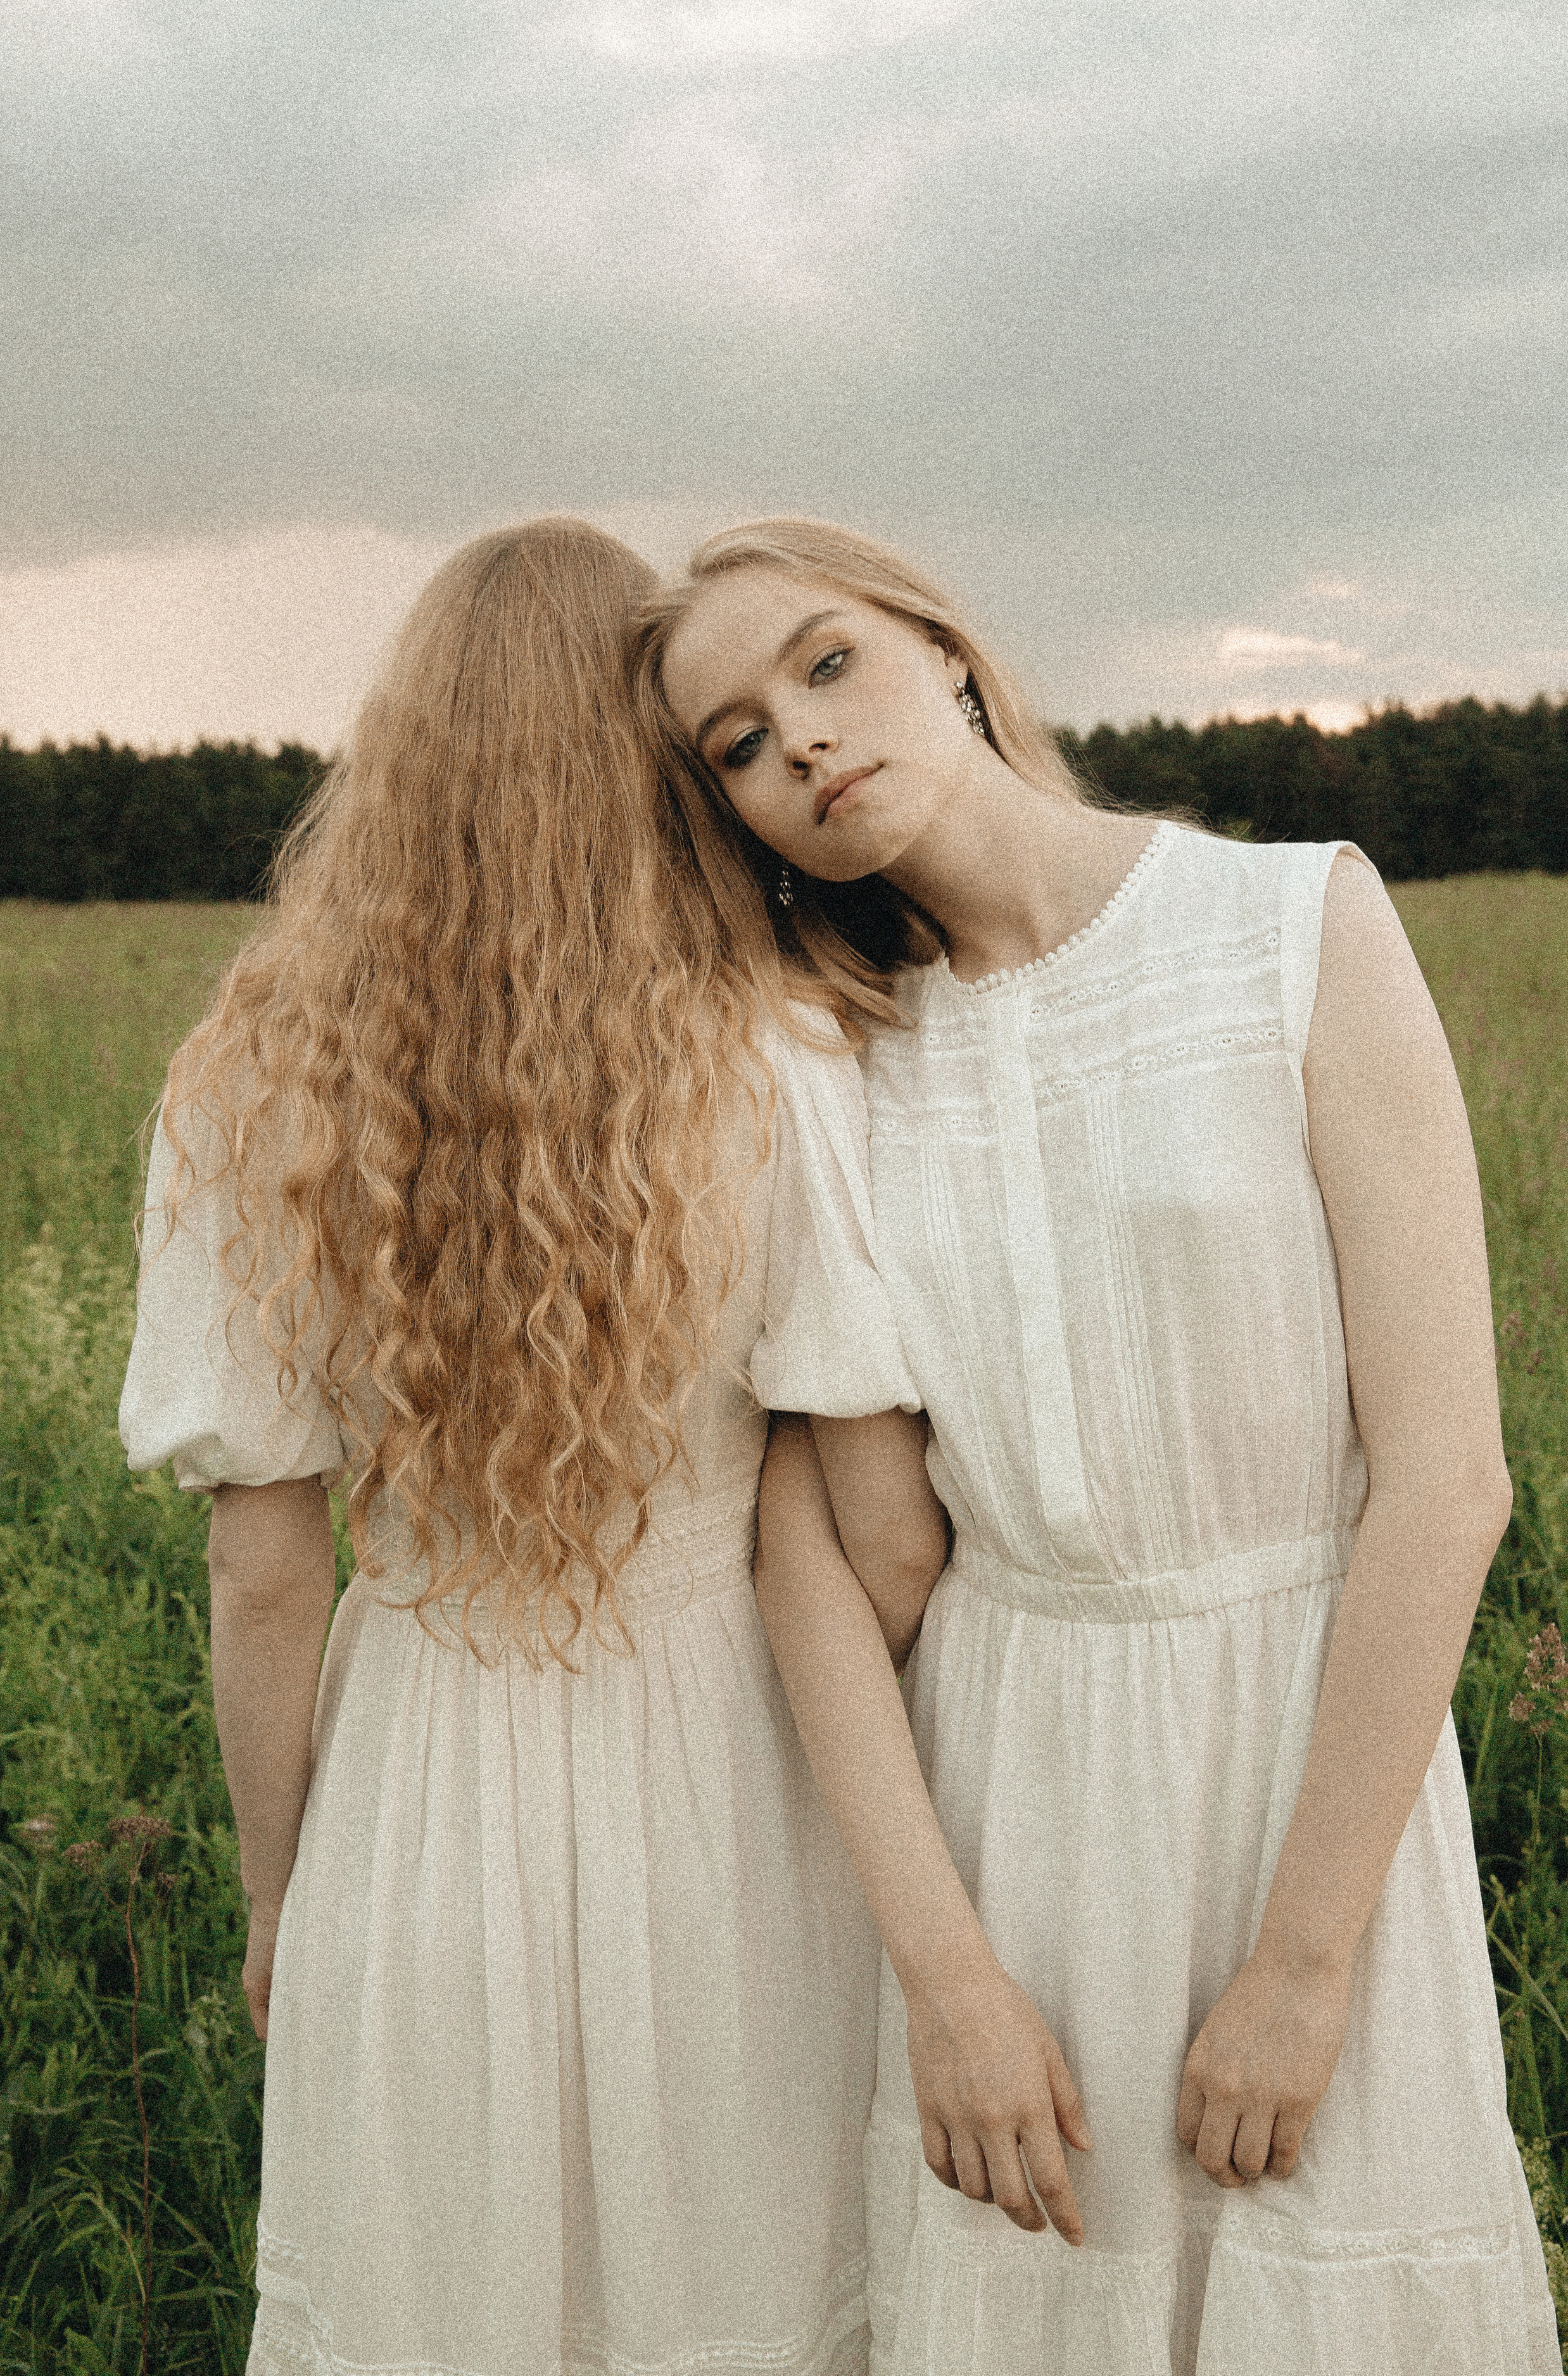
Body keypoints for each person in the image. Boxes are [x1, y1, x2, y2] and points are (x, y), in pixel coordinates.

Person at [635, 517, 1562, 2374]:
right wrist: (948, 1980)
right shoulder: (829, 1055)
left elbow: (1448, 1481)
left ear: (947, 651)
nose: (799, 744)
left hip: (1308, 1772)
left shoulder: (1295, 921)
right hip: (1010, 1809)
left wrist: (1306, 1970)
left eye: (823, 666)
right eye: (735, 743)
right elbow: (814, 1557)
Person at [118, 517, 949, 2376]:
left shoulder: (254, 1084)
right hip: (746, 1786)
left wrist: (282, 1896)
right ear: (655, 767)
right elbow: (887, 1541)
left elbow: (265, 1571)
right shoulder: (787, 1054)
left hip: (414, 1801)